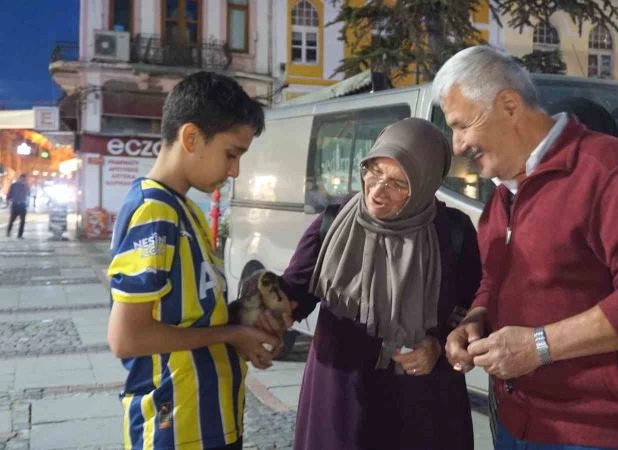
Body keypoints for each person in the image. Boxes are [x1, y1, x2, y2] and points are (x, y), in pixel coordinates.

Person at [435, 46, 618, 450]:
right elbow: (494, 277)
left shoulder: (608, 169)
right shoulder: (501, 197)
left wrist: (538, 346)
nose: (455, 146)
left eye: (460, 125)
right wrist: (476, 318)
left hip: (610, 430)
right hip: (522, 424)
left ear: (508, 105)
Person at [278, 118, 481, 450]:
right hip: (340, 402)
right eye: (373, 172)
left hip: (421, 407)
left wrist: (437, 347)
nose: (376, 191)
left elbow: (472, 312)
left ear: (426, 182)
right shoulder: (333, 221)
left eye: (399, 183)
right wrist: (270, 311)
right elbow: (295, 291)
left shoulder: (453, 234)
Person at [106, 71, 284, 450]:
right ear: (191, 138)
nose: (234, 170)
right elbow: (127, 337)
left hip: (212, 421)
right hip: (174, 430)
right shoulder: (154, 212)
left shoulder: (187, 211)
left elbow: (190, 312)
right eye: (231, 154)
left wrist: (244, 320)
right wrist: (231, 334)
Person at [6, 173, 30, 239]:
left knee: (22, 221)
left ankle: (20, 235)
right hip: (15, 205)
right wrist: (8, 201)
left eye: (24, 179)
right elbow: (9, 193)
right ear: (19, 178)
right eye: (22, 179)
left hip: (22, 205)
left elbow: (29, 194)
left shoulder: (26, 186)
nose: (23, 180)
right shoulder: (14, 185)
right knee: (12, 220)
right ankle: (8, 232)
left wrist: (26, 186)